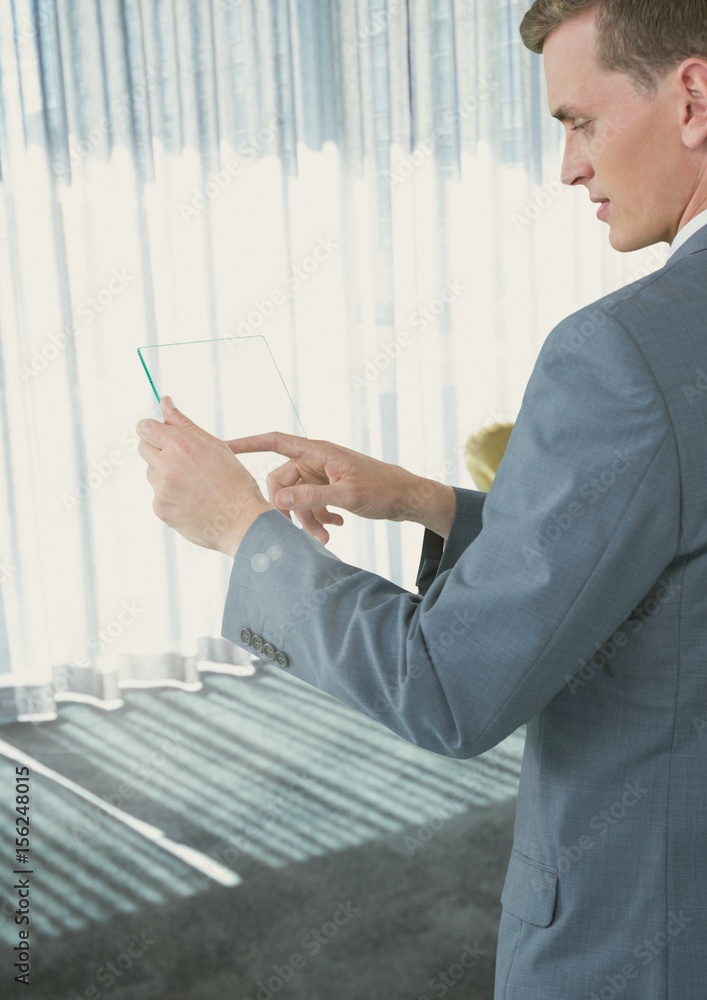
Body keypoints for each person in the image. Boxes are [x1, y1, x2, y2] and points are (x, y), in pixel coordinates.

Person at [137, 1, 707, 997]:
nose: (565, 167)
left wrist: (241, 531)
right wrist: (425, 501)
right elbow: (672, 568)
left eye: (575, 121)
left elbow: (446, 689)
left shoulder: (619, 350)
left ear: (690, 97)